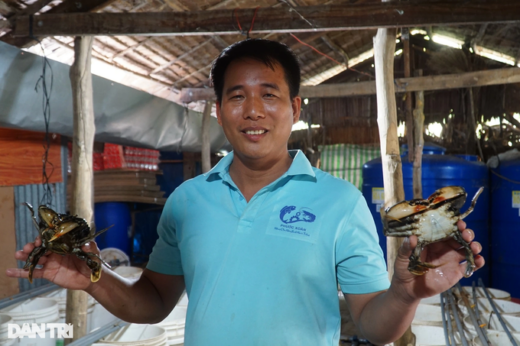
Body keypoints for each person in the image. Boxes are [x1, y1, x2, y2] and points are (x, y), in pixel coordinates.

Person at [6, 39, 484, 346]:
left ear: (295, 108)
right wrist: (94, 276)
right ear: (219, 110)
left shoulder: (340, 202)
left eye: (270, 95)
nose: (253, 110)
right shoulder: (187, 201)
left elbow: (375, 327)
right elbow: (152, 303)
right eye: (237, 96)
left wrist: (406, 292)